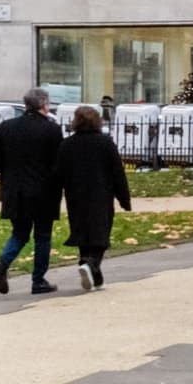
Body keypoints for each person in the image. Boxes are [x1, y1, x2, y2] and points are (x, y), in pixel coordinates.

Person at [0, 87, 67, 295]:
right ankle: (38, 279)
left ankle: (3, 263)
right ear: (44, 104)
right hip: (44, 191)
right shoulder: (51, 129)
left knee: (20, 233)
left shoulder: (6, 128)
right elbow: (57, 162)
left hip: (14, 190)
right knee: (42, 235)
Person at [57, 104, 133, 291]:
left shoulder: (67, 145)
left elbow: (58, 173)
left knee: (82, 231)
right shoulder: (105, 143)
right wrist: (124, 199)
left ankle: (91, 269)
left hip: (75, 195)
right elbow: (117, 173)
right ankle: (91, 263)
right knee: (100, 233)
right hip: (101, 193)